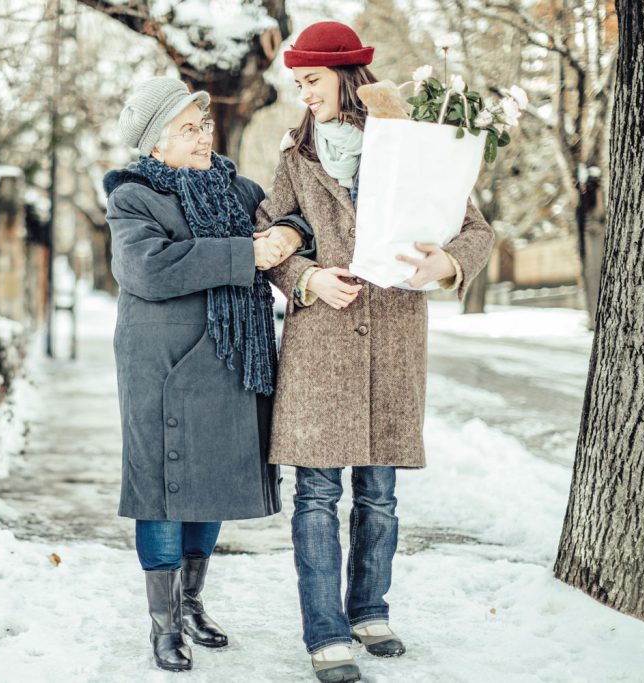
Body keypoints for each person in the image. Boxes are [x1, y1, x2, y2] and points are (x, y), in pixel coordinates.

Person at [254, 21, 496, 683]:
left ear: (345, 75)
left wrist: (446, 261)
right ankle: (326, 632)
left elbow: (476, 230)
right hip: (319, 343)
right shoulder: (296, 158)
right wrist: (304, 275)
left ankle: (369, 610)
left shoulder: (413, 144)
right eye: (298, 82)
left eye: (311, 80)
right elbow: (266, 234)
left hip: (393, 335)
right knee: (315, 494)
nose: (303, 94)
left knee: (380, 495)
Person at [103, 76, 313, 672]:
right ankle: (163, 625)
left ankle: (192, 603)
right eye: (187, 128)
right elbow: (146, 269)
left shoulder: (237, 190)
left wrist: (288, 233)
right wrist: (244, 253)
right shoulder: (134, 196)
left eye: (204, 124)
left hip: (229, 356)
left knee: (212, 479)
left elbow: (296, 220)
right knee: (163, 490)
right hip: (162, 363)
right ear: (154, 143)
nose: (203, 136)